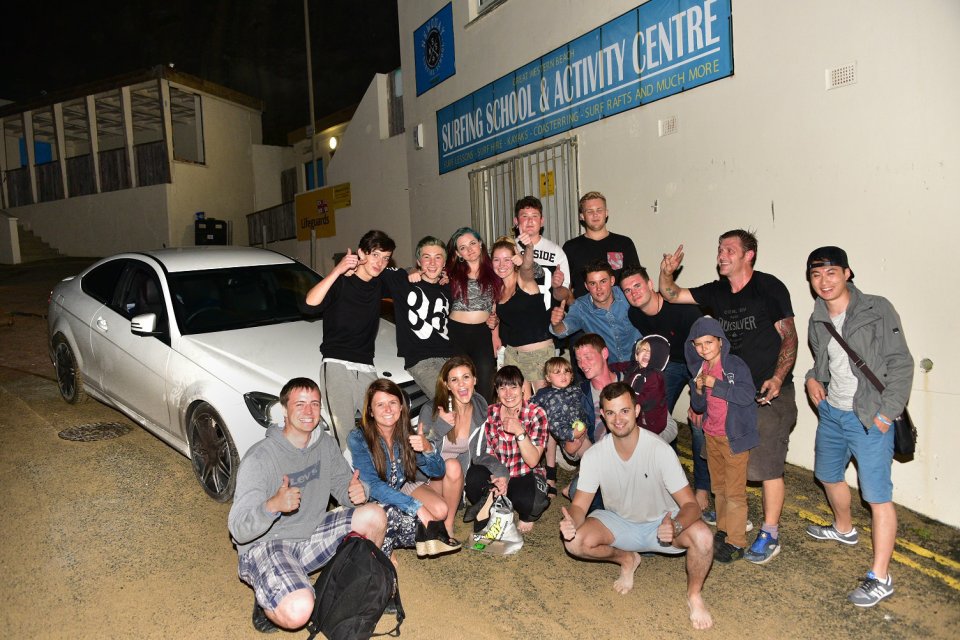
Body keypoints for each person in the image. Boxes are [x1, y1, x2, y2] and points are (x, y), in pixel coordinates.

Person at [659, 230, 798, 565]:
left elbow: (789, 336)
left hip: (765, 392)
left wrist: (778, 377)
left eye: (729, 250)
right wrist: (667, 271)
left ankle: (770, 532)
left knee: (766, 466)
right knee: (726, 475)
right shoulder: (717, 292)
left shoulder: (769, 287)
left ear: (748, 255)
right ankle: (731, 525)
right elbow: (670, 293)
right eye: (719, 249)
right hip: (724, 399)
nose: (722, 255)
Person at [228, 378, 387, 633]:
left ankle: (352, 585)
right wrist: (272, 505)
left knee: (375, 516)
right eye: (299, 404)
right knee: (300, 610)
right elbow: (238, 529)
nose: (308, 411)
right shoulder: (260, 458)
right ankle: (268, 594)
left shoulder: (324, 443)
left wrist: (357, 492)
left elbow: (344, 486)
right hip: (268, 542)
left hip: (311, 532)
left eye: (314, 404)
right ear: (284, 409)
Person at [803, 247, 913, 607]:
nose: (824, 281)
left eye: (832, 273)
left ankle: (880, 577)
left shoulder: (877, 308)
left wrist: (886, 414)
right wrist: (811, 379)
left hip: (869, 415)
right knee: (828, 476)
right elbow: (823, 363)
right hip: (832, 413)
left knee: (877, 496)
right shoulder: (817, 318)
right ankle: (844, 529)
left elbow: (900, 364)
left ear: (848, 273)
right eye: (816, 275)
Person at [558, 382, 714, 630]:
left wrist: (676, 524)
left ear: (637, 410)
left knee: (704, 537)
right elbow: (579, 506)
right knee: (574, 541)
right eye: (610, 412)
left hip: (661, 525)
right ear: (602, 415)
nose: (618, 419)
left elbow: (691, 506)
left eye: (624, 411)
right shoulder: (595, 455)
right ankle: (627, 560)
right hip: (620, 524)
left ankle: (694, 595)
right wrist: (571, 523)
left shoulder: (659, 450)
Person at [621, 264, 709, 512]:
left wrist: (699, 394)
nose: (633, 293)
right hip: (668, 366)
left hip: (697, 364)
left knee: (699, 422)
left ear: (651, 284)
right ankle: (671, 479)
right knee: (654, 419)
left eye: (637, 285)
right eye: (627, 290)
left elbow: (706, 351)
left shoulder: (684, 310)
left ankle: (702, 487)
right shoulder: (635, 314)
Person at [348, 378, 461, 558]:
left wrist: (428, 449)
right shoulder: (358, 437)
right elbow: (373, 485)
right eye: (380, 404)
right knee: (420, 517)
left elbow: (438, 472)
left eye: (393, 403)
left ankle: (393, 533)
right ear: (370, 411)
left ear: (401, 407)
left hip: (401, 487)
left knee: (441, 510)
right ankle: (383, 540)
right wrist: (417, 508)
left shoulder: (406, 434)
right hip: (374, 498)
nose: (388, 409)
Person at [306, 229, 395, 451]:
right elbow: (309, 304)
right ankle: (343, 484)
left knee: (382, 429)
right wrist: (337, 270)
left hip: (366, 365)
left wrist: (417, 274)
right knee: (342, 435)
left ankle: (377, 480)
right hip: (336, 363)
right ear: (361, 253)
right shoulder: (341, 282)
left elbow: (406, 277)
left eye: (385, 258)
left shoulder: (379, 283)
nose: (380, 263)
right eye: (375, 255)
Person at [685, 317, 759, 563]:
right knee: (719, 489)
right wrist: (697, 390)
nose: (704, 348)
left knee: (735, 492)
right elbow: (698, 406)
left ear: (720, 342)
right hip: (712, 435)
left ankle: (737, 542)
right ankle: (725, 531)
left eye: (709, 342)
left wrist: (715, 384)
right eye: (698, 344)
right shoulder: (700, 370)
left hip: (733, 437)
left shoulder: (734, 365)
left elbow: (748, 394)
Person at [464, 365, 549, 533]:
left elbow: (532, 461)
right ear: (496, 390)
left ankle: (520, 511)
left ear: (522, 388)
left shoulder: (536, 414)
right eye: (502, 388)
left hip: (523, 474)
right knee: (473, 479)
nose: (508, 393)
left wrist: (519, 431)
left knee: (531, 503)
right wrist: (498, 475)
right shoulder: (489, 413)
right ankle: (495, 500)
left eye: (513, 387)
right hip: (496, 473)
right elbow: (484, 452)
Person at [417, 355, 489, 541]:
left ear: (475, 380)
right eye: (454, 380)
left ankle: (448, 526)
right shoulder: (431, 410)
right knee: (449, 465)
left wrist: (500, 473)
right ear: (447, 385)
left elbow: (484, 451)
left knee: (453, 465)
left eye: (466, 377)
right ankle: (435, 517)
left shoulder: (481, 410)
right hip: (427, 477)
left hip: (454, 481)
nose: (462, 384)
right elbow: (419, 457)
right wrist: (440, 427)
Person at [379, 236, 457, 399]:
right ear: (419, 262)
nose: (432, 263)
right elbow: (375, 268)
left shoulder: (449, 287)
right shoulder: (403, 280)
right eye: (426, 257)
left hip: (450, 357)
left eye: (438, 257)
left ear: (444, 263)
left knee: (466, 402)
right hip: (421, 359)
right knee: (447, 403)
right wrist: (408, 270)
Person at [489, 234, 554, 392]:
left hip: (539, 355)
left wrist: (529, 249)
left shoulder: (524, 281)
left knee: (544, 404)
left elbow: (527, 268)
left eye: (507, 259)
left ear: (515, 260)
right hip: (513, 356)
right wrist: (494, 326)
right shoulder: (498, 290)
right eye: (497, 259)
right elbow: (498, 316)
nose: (502, 264)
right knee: (517, 408)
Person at [550, 260, 640, 372]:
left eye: (603, 281)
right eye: (593, 283)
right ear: (586, 286)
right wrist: (556, 324)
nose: (598, 288)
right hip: (610, 372)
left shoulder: (627, 294)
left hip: (641, 364)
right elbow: (561, 331)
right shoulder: (581, 307)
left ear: (612, 281)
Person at [446, 227, 501, 401]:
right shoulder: (450, 273)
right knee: (459, 386)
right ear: (458, 253)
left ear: (480, 244)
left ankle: (483, 426)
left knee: (485, 384)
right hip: (456, 333)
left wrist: (495, 334)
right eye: (463, 247)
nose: (469, 249)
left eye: (472, 243)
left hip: (482, 334)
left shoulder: (495, 270)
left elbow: (495, 306)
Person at [562, 191, 640, 299]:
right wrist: (574, 307)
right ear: (582, 216)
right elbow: (564, 287)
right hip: (584, 314)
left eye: (599, 210)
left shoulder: (624, 243)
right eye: (589, 211)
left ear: (606, 213)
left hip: (620, 313)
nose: (595, 214)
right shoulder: (570, 247)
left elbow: (636, 280)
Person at [532, 356, 592, 494]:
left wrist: (583, 430)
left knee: (593, 457)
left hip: (581, 433)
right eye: (557, 372)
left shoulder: (576, 391)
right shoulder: (543, 395)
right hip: (565, 437)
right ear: (548, 378)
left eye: (566, 371)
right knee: (546, 425)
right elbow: (529, 407)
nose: (563, 375)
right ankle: (550, 477)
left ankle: (574, 485)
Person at [513, 195, 571, 309]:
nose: (530, 221)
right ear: (516, 221)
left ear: (542, 221)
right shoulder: (509, 248)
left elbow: (565, 294)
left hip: (547, 319)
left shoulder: (556, 251)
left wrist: (557, 287)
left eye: (534, 216)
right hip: (516, 318)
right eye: (524, 216)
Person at [625, 335, 679, 444]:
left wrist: (625, 400)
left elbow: (647, 400)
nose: (647, 353)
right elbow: (621, 366)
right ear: (636, 355)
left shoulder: (655, 377)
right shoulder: (634, 368)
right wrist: (611, 367)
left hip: (651, 423)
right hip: (636, 416)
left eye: (651, 352)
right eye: (643, 350)